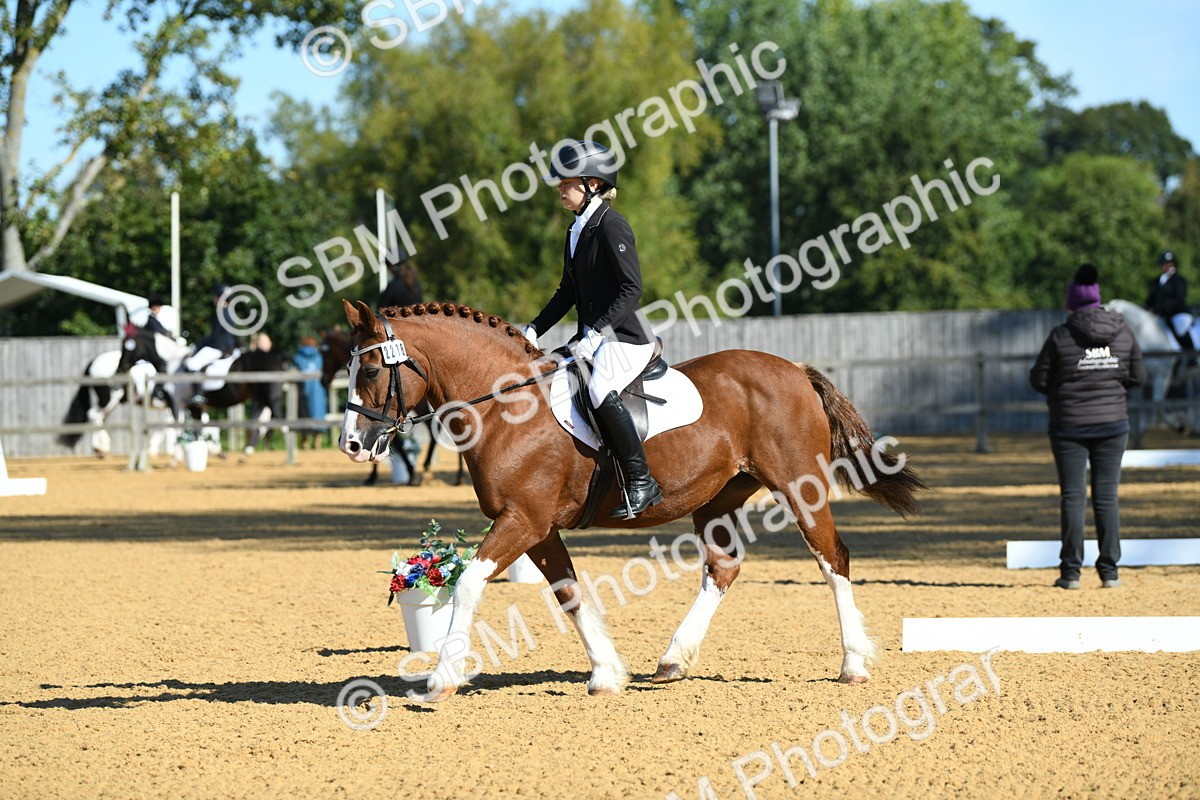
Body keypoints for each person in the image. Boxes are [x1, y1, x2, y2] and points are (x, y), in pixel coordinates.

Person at [523, 139, 662, 518]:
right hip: (592, 338)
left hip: (625, 337)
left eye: (567, 182)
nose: (560, 188)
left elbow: (631, 288)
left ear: (593, 184)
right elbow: (567, 291)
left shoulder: (612, 226)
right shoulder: (575, 230)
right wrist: (533, 329)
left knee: (600, 388)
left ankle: (641, 479)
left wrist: (597, 333)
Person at [1030, 264, 1147, 590]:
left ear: (1071, 303)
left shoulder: (1060, 335)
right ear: (1098, 299)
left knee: (1072, 497)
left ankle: (1071, 573)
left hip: (1069, 426)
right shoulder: (1123, 331)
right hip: (1112, 425)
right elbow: (1139, 377)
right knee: (1107, 497)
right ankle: (1109, 572)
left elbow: (1039, 380)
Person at [1145, 250, 1192, 351]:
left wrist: (1162, 307)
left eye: (1170, 264)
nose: (1167, 267)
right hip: (1160, 315)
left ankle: (1191, 354)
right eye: (1164, 264)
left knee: (1180, 327)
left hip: (1177, 313)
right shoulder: (1156, 281)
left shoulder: (1179, 280)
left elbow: (1179, 299)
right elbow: (1150, 299)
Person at [293, 336, 329, 448]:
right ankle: (317, 439)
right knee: (318, 412)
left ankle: (304, 441)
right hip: (318, 391)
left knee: (303, 412)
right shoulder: (319, 357)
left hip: (302, 390)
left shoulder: (297, 357)